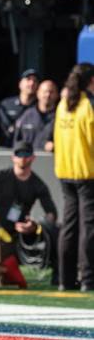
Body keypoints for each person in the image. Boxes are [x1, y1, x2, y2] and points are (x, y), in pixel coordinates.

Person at [0, 141, 58, 286]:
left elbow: (51, 213)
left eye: (26, 154)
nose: (23, 158)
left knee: (56, 231)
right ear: (13, 157)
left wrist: (34, 226)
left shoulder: (38, 184)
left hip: (20, 233)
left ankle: (59, 274)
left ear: (33, 157)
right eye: (19, 154)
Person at [53, 63, 94, 292]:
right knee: (88, 228)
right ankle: (88, 278)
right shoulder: (89, 105)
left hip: (65, 171)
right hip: (87, 173)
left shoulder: (64, 105)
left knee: (69, 227)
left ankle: (64, 279)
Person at [0, 69, 38, 147]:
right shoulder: (6, 105)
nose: (32, 83)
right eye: (28, 79)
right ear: (20, 84)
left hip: (31, 151)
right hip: (6, 149)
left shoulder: (39, 107)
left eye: (35, 81)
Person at [14, 79, 58, 152]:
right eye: (44, 91)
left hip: (50, 161)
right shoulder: (26, 115)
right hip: (28, 160)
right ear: (38, 93)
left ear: (57, 95)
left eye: (51, 92)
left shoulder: (60, 117)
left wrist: (55, 146)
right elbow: (17, 142)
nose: (47, 95)